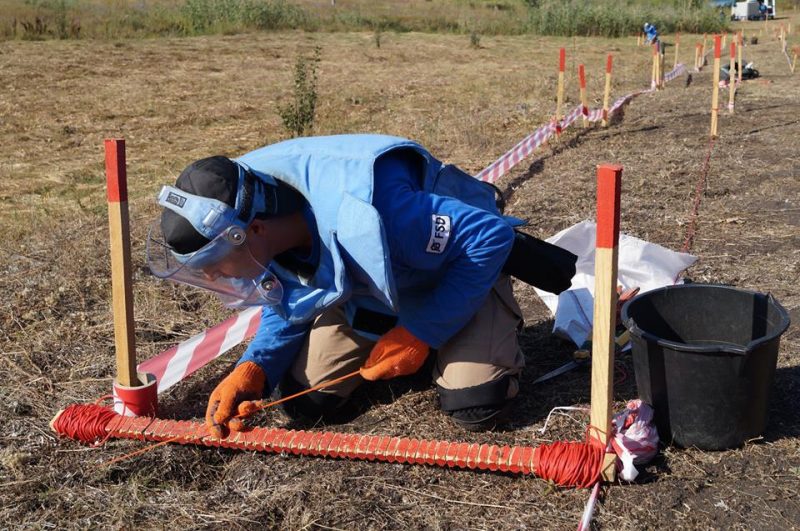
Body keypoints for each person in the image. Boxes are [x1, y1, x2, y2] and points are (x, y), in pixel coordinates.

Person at [147, 134, 573, 438]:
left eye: (212, 264)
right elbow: (288, 293)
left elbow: (488, 236)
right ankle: (421, 342)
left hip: (454, 266)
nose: (213, 277)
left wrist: (421, 333)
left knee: (476, 402)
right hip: (376, 286)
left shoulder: (376, 210)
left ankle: (465, 333)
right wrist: (254, 368)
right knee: (303, 403)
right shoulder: (254, 205)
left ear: (253, 231)